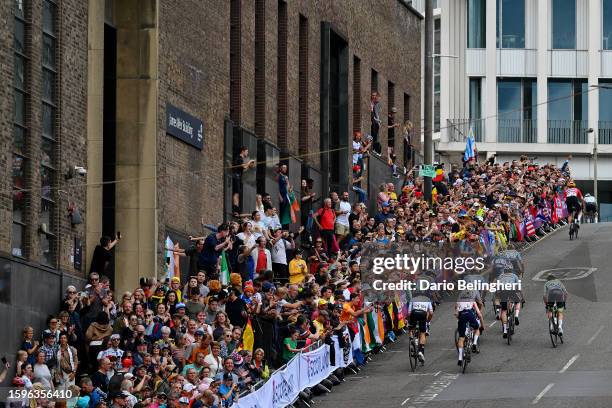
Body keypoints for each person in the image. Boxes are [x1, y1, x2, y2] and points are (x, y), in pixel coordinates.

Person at [455, 291, 483, 366]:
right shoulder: (472, 301)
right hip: (470, 314)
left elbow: (456, 313)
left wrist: (458, 317)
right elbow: (478, 312)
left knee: (461, 338)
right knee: (477, 329)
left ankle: (460, 358)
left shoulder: (459, 301)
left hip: (462, 315)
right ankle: (474, 343)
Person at [495, 267, 522, 338]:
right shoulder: (514, 275)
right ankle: (516, 316)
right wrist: (521, 296)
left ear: (504, 271)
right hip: (511, 291)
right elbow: (518, 286)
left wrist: (497, 292)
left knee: (504, 311)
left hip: (502, 292)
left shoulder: (500, 276)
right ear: (511, 270)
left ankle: (505, 330)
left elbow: (497, 285)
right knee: (518, 302)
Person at [407, 293, 433, 363]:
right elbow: (431, 313)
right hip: (423, 314)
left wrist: (409, 321)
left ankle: (412, 341)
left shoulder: (413, 299)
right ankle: (420, 351)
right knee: (422, 333)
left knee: (411, 327)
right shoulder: (427, 300)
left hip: (414, 313)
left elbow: (409, 313)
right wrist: (428, 321)